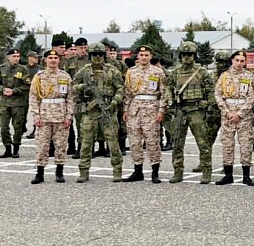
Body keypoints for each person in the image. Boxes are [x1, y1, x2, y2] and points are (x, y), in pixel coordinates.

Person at [71, 43, 125, 182]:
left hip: (108, 110)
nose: (97, 58)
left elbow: (120, 89)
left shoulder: (112, 71)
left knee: (113, 142)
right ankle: (84, 171)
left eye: (100, 55)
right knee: (86, 143)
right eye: (94, 55)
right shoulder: (84, 71)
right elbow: (72, 87)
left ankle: (117, 170)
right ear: (90, 56)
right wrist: (84, 87)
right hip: (90, 112)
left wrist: (115, 102)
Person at [166, 41, 215, 184]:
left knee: (203, 143)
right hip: (180, 111)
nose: (187, 57)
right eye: (184, 54)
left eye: (190, 55)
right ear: (181, 55)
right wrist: (170, 100)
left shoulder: (202, 72)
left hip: (196, 111)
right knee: (177, 143)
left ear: (195, 56)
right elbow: (168, 88)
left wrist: (207, 104)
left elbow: (211, 92)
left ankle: (206, 171)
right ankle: (178, 171)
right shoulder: (175, 72)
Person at [123, 45, 167, 183]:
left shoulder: (158, 72)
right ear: (137, 57)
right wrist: (125, 109)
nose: (144, 57)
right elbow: (128, 93)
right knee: (135, 142)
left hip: (151, 109)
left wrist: (161, 110)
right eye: (141, 55)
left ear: (151, 56)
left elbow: (164, 93)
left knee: (152, 141)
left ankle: (155, 172)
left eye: (146, 55)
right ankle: (138, 171)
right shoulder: (131, 72)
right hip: (135, 109)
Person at [28, 49, 74, 183]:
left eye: (56, 58)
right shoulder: (39, 77)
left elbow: (70, 97)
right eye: (50, 58)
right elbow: (33, 96)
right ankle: (40, 173)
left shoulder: (65, 76)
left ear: (59, 60)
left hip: (61, 115)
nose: (53, 60)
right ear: (45, 60)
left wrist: (69, 115)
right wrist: (36, 115)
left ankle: (59, 172)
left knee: (61, 145)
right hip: (44, 116)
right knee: (42, 145)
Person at [214, 50, 254, 186]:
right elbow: (218, 95)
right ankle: (228, 174)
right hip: (227, 114)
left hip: (243, 116)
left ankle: (246, 175)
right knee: (227, 144)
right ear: (232, 61)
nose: (239, 63)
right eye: (237, 60)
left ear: (245, 62)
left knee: (245, 144)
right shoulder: (224, 76)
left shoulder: (249, 77)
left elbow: (251, 97)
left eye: (242, 61)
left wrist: (240, 114)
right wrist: (227, 112)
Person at [0, 49, 31, 158]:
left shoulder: (23, 70)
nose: (16, 58)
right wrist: (3, 89)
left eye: (18, 56)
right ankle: (7, 148)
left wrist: (14, 91)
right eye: (14, 56)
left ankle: (16, 149)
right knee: (3, 127)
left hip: (18, 103)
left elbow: (27, 86)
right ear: (8, 57)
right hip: (4, 102)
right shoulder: (2, 68)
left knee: (18, 127)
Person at [23, 52, 41, 140]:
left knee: (36, 113)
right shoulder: (23, 68)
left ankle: (35, 130)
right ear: (29, 58)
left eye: (37, 58)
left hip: (36, 94)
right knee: (22, 114)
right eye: (35, 57)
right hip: (24, 94)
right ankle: (22, 126)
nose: (37, 59)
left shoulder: (39, 69)